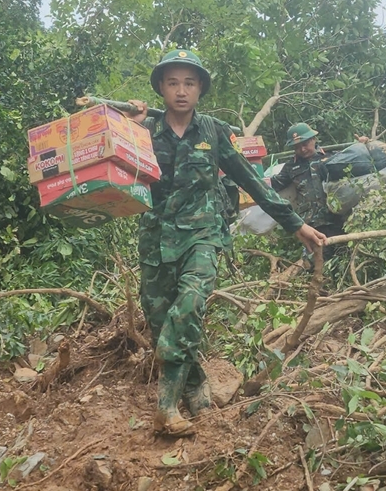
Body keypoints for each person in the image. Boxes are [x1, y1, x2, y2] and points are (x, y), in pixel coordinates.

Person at [121, 49, 326, 436]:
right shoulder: (143, 130)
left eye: (190, 82)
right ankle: (196, 385)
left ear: (200, 88)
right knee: (162, 320)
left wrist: (295, 225)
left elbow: (251, 180)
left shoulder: (213, 131)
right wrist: (124, 125)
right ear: (161, 88)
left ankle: (165, 409)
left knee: (189, 307)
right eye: (173, 82)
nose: (181, 91)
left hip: (202, 236)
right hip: (155, 240)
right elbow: (108, 164)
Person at [271, 123, 347, 249]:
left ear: (313, 139)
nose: (302, 149)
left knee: (342, 255)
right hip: (310, 226)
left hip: (336, 219)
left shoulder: (332, 157)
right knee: (316, 261)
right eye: (297, 147)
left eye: (305, 144)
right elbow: (274, 184)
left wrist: (364, 144)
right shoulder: (290, 167)